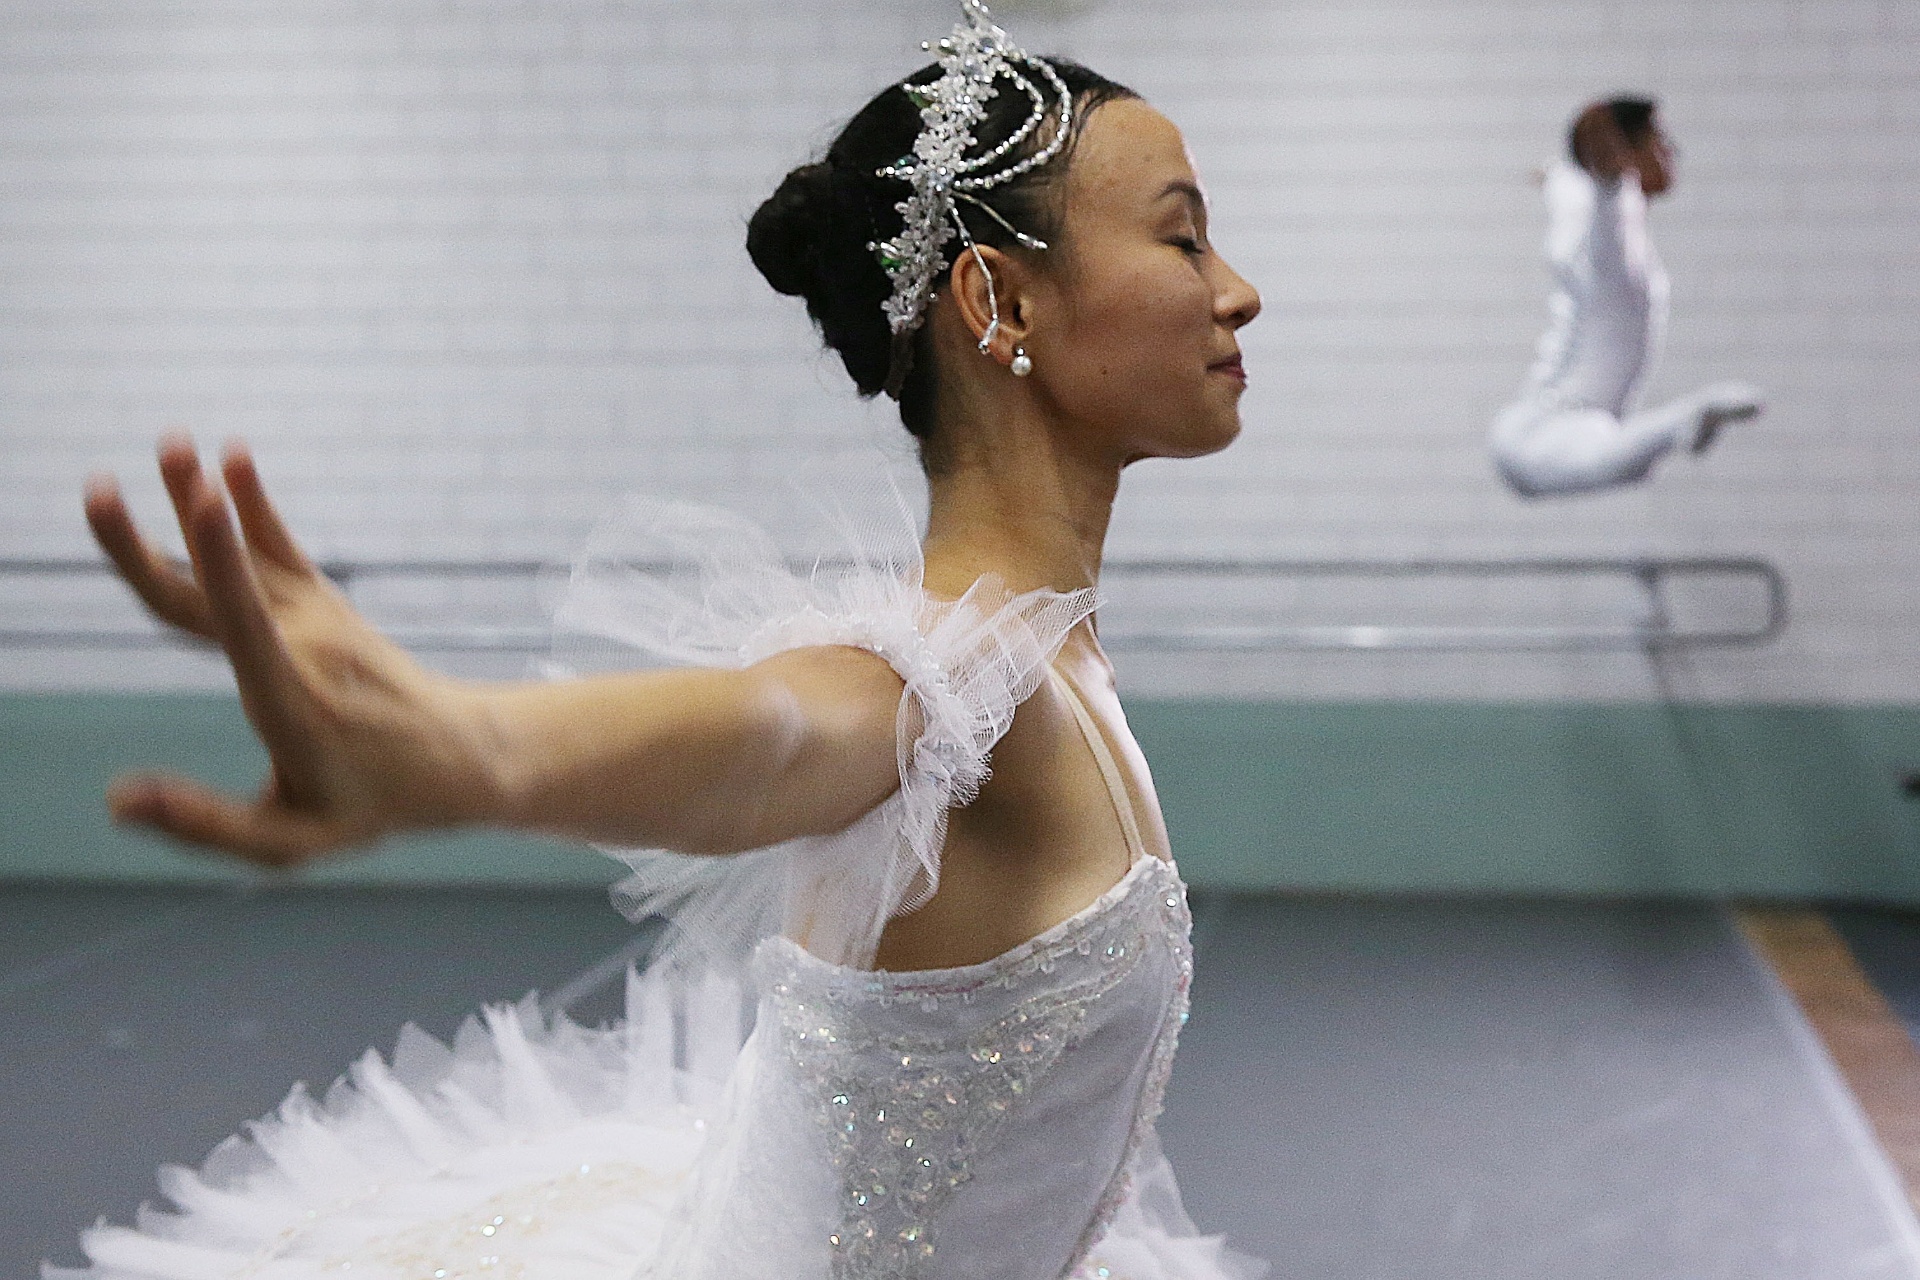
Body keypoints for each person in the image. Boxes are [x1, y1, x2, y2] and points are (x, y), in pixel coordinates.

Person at [55, 4, 1266, 1278]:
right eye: (1182, 237)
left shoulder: (1056, 657)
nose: (1236, 290)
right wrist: (473, 748)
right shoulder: (969, 682)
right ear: (997, 297)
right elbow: (782, 731)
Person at [1489, 96, 1764, 499]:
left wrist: (1555, 174)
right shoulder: (1608, 236)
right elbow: (1607, 231)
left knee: (1617, 450)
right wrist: (1606, 180)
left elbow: (1570, 193)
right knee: (1617, 457)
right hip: (1544, 434)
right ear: (1622, 152)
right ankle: (1685, 420)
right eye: (1660, 141)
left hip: (1555, 424)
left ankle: (1680, 424)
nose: (1672, 152)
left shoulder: (1589, 205)